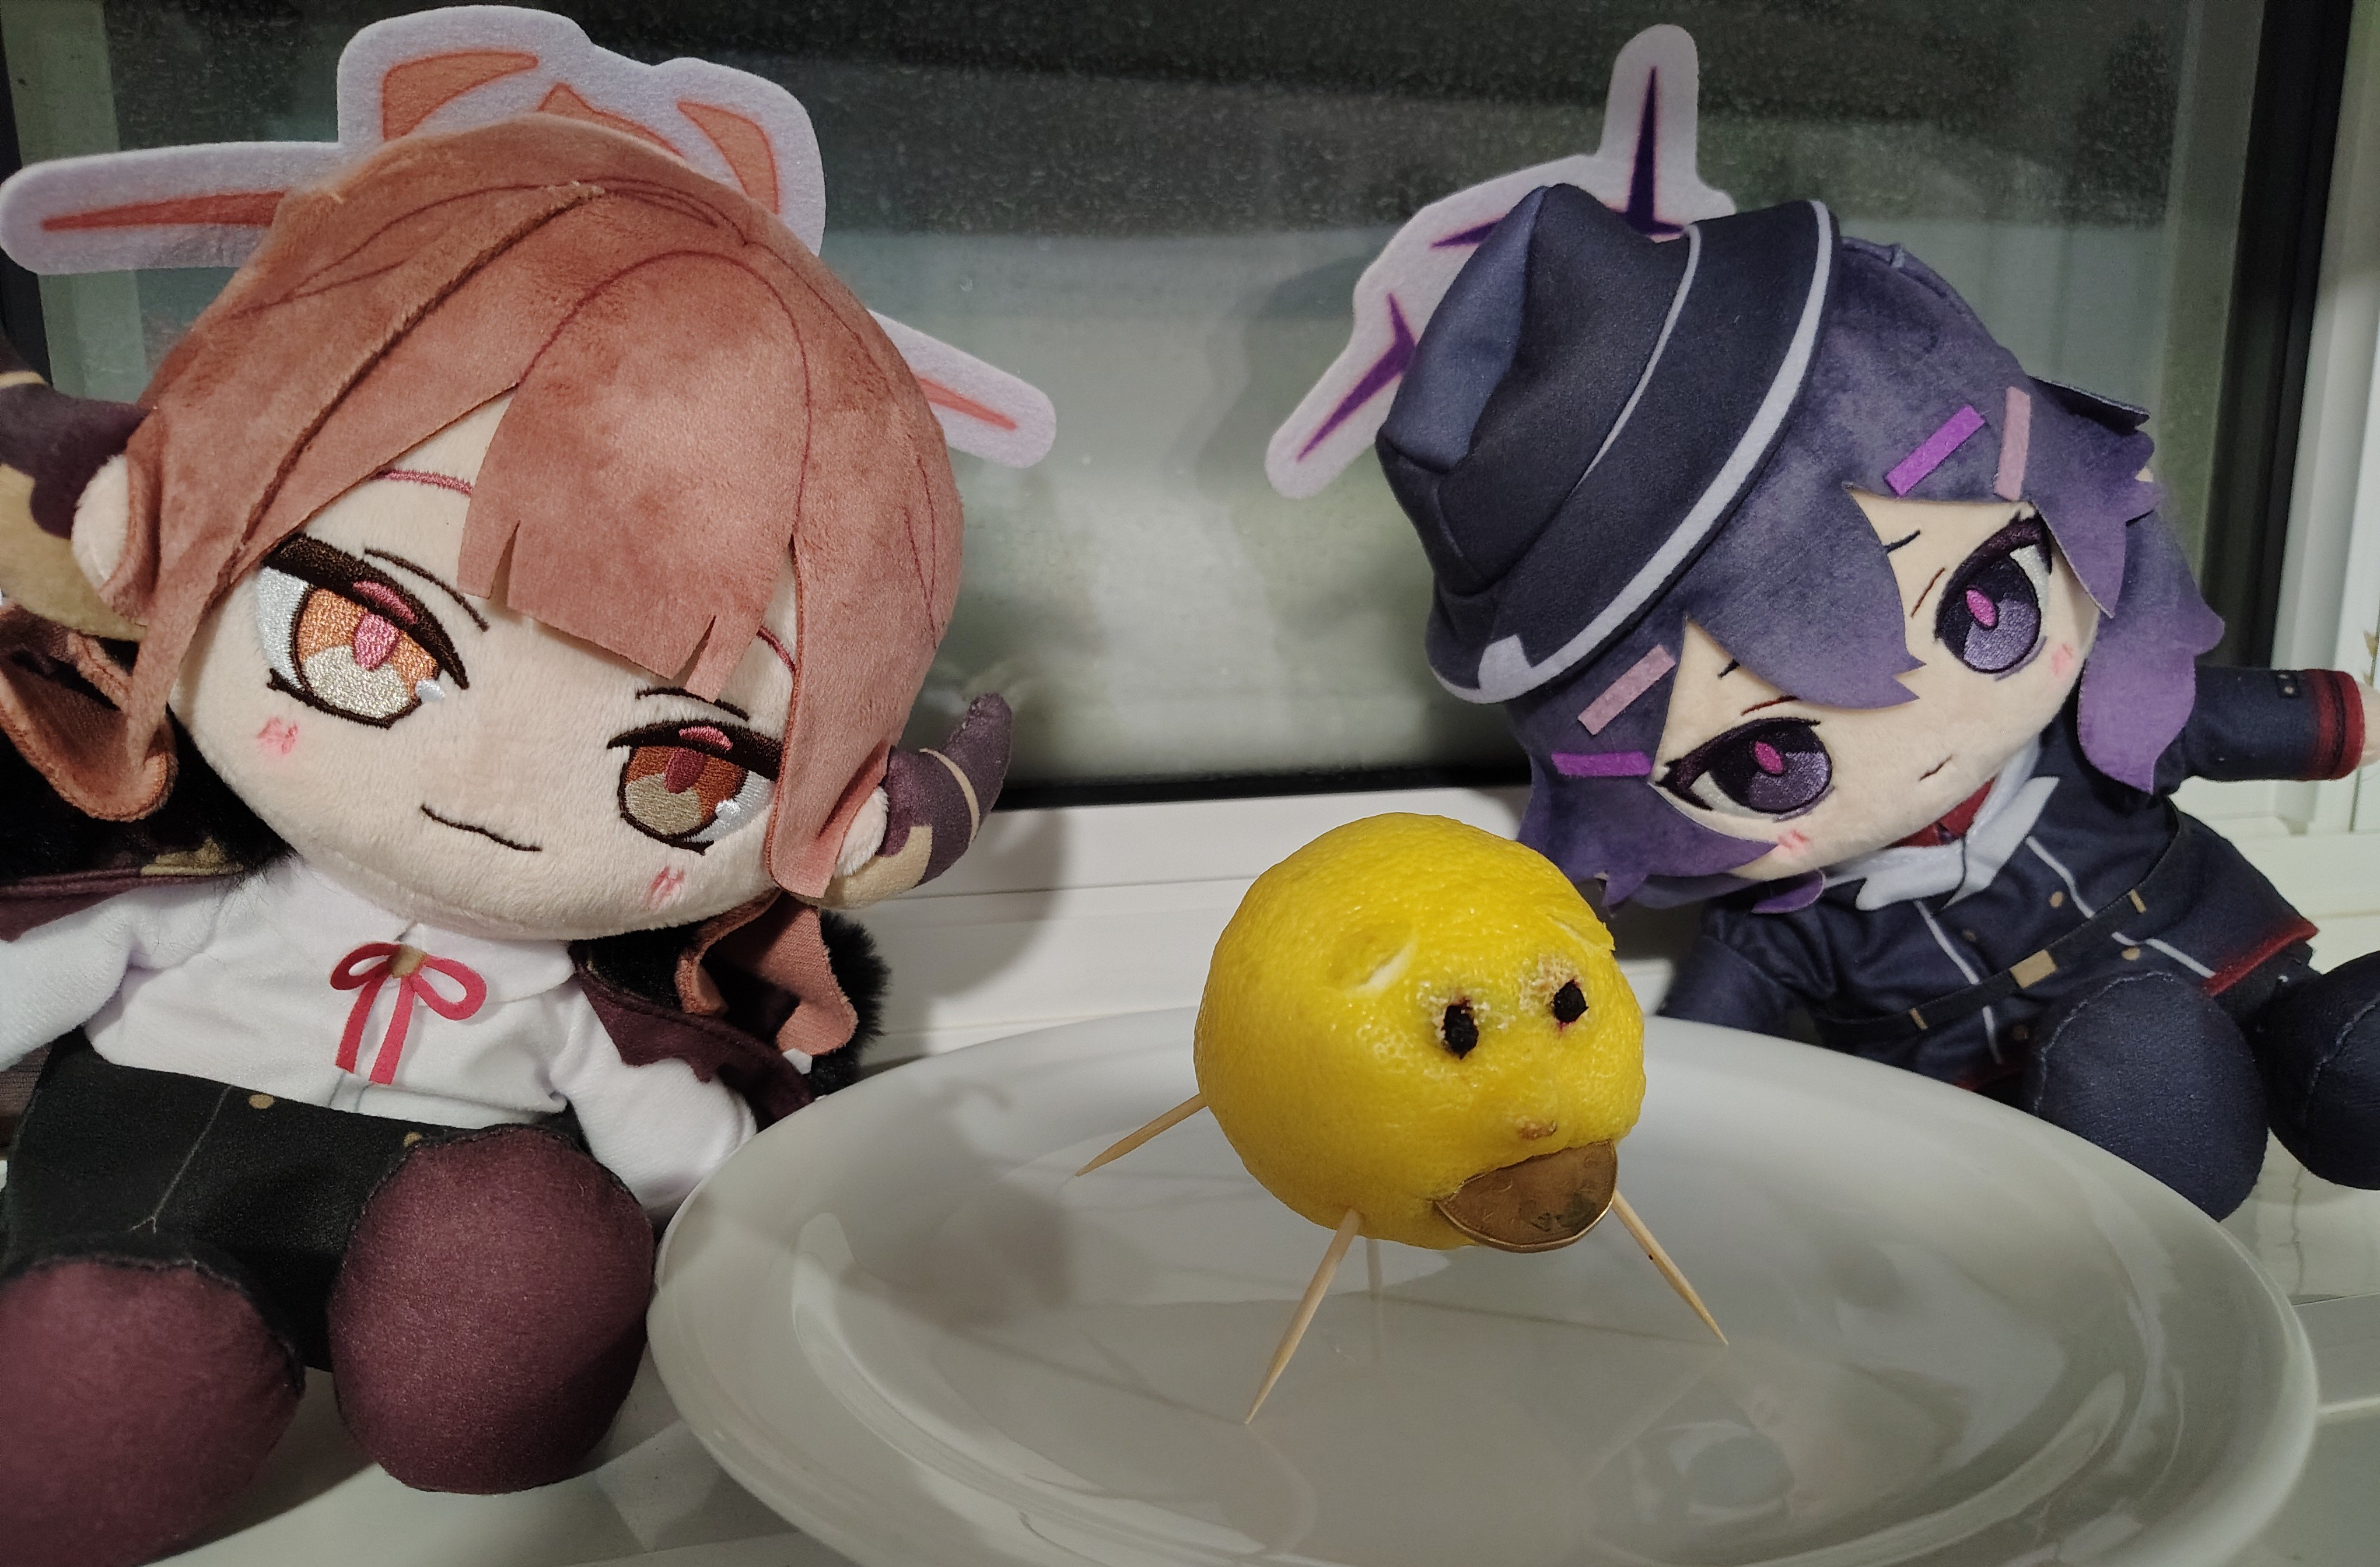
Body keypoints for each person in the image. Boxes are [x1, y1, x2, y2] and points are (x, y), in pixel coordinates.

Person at [0, 114, 1007, 1567]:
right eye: (362, 637)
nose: (484, 789)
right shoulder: (206, 910)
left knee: (528, 1253)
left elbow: (679, 1152)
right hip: (152, 1172)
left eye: (679, 772)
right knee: (113, 1361)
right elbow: (62, 968)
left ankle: (489, 1384)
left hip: (448, 1204)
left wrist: (771, 1197)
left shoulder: (563, 1001)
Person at [1374, 181, 2380, 1221]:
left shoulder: (2106, 727)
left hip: (2224, 951)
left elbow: (2229, 720)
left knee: (2344, 1061)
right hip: (2004, 1117)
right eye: (1769, 762)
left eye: (1988, 605)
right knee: (2139, 1082)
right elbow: (1698, 1081)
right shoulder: (1781, 928)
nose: (1921, 740)